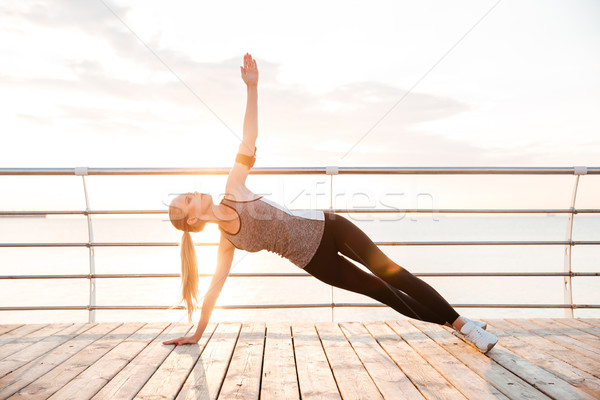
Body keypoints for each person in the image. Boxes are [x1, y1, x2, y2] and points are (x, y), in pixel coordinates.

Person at [162, 53, 498, 353]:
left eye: (188, 193)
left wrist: (252, 88)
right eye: (188, 200)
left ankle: (462, 324)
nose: (194, 193)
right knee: (384, 292)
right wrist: (197, 334)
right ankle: (458, 324)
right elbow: (213, 292)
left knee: (392, 272)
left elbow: (249, 139)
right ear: (192, 220)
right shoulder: (226, 243)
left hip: (330, 227)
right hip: (316, 263)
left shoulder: (233, 188)